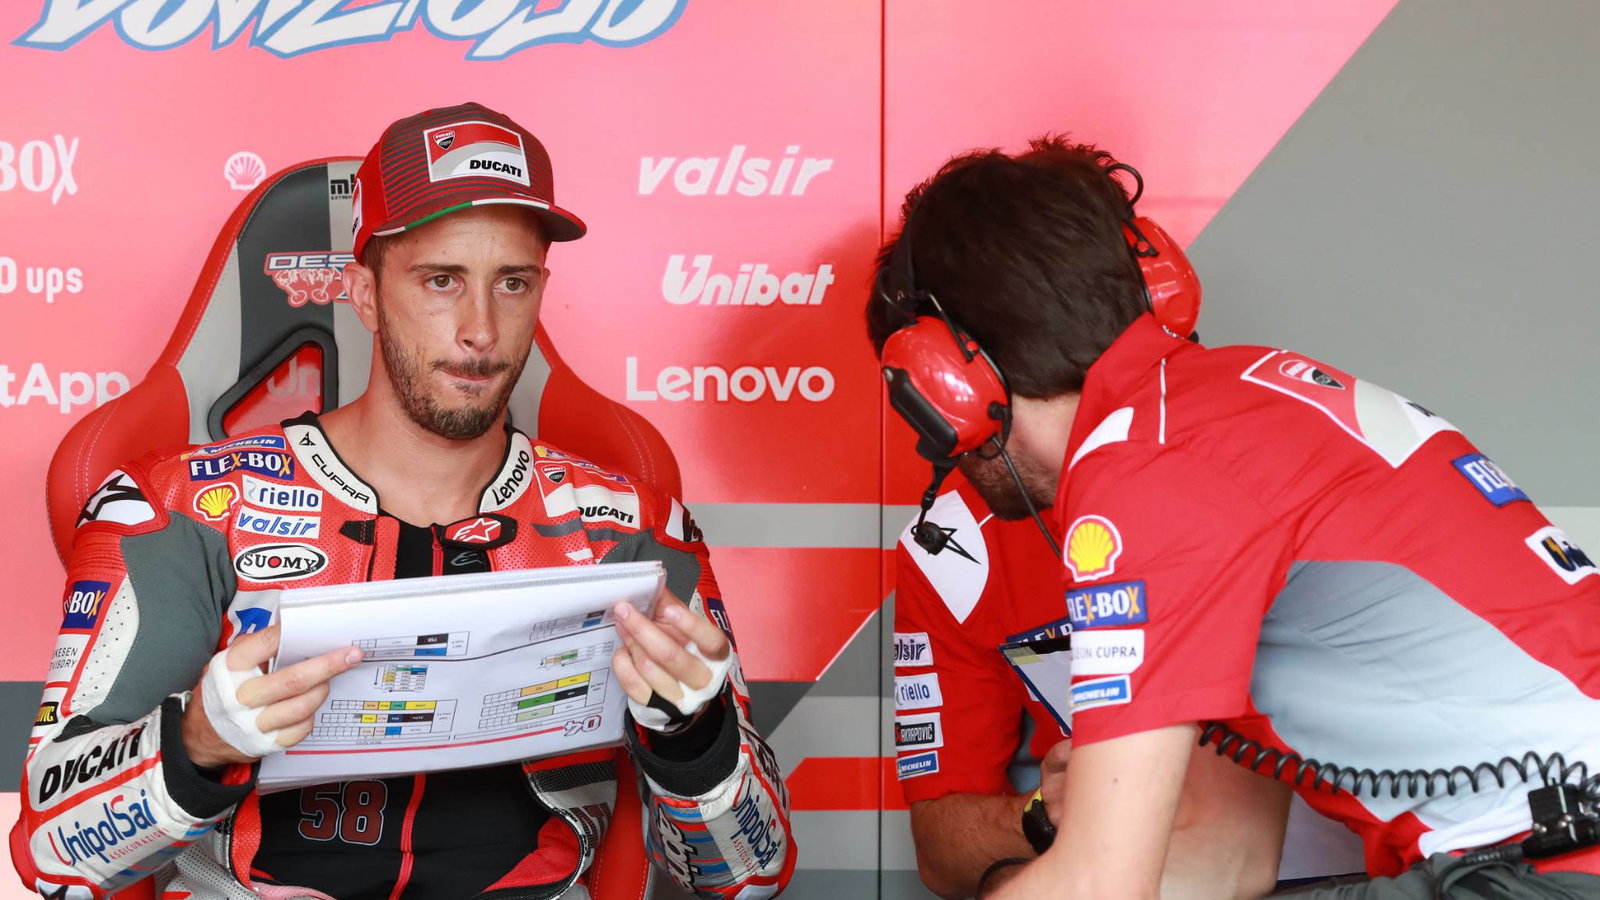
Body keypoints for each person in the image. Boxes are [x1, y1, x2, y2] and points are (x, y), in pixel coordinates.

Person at [13, 102, 794, 900]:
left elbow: (749, 878)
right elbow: (49, 855)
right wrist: (196, 745)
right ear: (364, 294)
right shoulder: (180, 507)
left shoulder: (631, 528)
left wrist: (696, 742)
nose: (480, 329)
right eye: (441, 280)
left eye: (512, 283)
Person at [866, 136, 1600, 898]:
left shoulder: (1144, 471)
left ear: (943, 381)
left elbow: (1100, 886)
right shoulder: (1209, 410)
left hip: (1551, 869)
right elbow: (1225, 857)